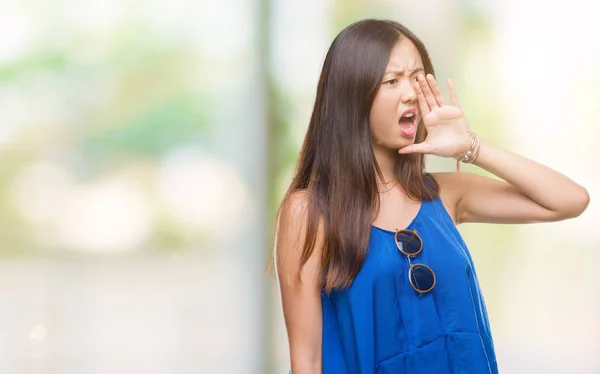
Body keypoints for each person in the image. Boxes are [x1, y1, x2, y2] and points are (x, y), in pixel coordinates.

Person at [273, 19, 589, 374]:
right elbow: (306, 360)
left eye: (417, 77)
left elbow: (569, 200)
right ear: (352, 96)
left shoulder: (444, 194)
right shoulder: (308, 213)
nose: (410, 93)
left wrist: (470, 147)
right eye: (392, 81)